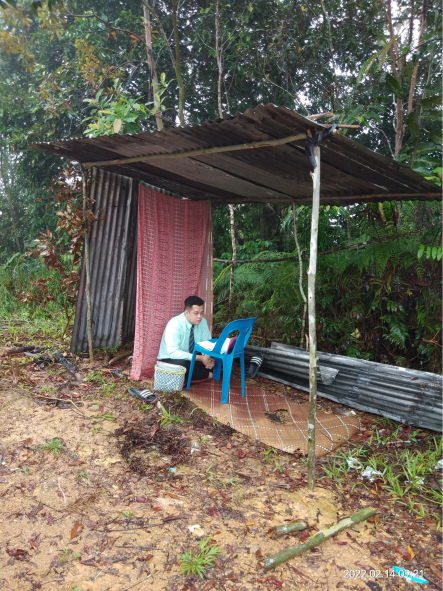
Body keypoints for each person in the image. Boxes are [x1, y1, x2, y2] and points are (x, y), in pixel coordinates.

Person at [157, 296, 215, 382]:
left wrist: (207, 358)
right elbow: (173, 353)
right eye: (196, 313)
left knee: (218, 360)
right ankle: (209, 374)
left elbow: (207, 344)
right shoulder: (175, 324)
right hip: (170, 359)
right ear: (187, 312)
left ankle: (196, 374)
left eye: (202, 313)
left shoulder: (203, 322)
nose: (199, 317)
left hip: (191, 357)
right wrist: (200, 358)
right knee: (183, 366)